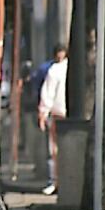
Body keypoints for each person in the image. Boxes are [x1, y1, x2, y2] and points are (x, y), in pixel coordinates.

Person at [37, 43, 68, 196]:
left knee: (54, 150)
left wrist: (43, 112)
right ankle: (56, 181)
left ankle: (55, 181)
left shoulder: (55, 70)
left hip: (58, 113)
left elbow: (47, 94)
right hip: (60, 113)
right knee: (55, 150)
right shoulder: (56, 70)